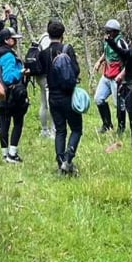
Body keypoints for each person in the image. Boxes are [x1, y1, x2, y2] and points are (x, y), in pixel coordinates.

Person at [33, 19, 83, 174]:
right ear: (63, 34)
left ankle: (60, 161)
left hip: (53, 97)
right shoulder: (67, 49)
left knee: (60, 130)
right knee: (76, 129)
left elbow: (39, 71)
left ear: (48, 34)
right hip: (68, 95)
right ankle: (68, 159)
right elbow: (76, 70)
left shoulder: (43, 53)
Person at [0, 25, 30, 163]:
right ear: (7, 40)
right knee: (17, 122)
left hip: (0, 95)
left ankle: (4, 153)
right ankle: (13, 153)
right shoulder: (8, 56)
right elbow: (8, 77)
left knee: (3, 122)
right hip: (12, 95)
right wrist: (21, 72)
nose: (16, 41)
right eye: (13, 39)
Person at [94, 19, 127, 134]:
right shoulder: (108, 40)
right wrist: (99, 61)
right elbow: (106, 51)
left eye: (109, 31)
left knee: (119, 104)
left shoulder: (120, 42)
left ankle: (121, 128)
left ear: (115, 32)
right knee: (98, 98)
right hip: (106, 75)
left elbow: (128, 58)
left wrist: (123, 76)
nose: (107, 33)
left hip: (117, 78)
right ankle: (107, 124)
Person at [27, 29, 54, 138]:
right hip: (46, 76)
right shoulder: (48, 40)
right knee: (50, 103)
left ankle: (44, 130)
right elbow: (49, 59)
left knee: (43, 103)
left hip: (39, 75)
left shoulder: (41, 38)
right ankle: (52, 131)